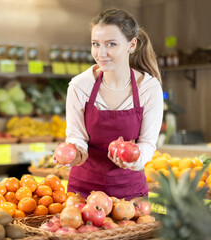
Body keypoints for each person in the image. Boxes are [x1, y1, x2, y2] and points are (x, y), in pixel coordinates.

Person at [53, 9, 163, 200]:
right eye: (95, 44)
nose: (101, 53)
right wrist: (75, 153)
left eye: (111, 44)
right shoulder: (80, 85)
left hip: (129, 192)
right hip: (84, 190)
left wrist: (134, 161)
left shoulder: (148, 88)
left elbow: (147, 143)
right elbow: (76, 136)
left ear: (132, 45)